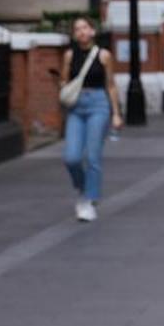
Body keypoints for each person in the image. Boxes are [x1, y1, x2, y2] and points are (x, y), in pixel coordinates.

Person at [60, 16, 121, 221]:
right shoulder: (69, 55)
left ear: (93, 32)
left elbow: (110, 85)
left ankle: (88, 200)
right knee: (71, 157)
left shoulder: (104, 56)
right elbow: (65, 81)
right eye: (77, 29)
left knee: (92, 156)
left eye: (85, 28)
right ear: (74, 35)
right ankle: (82, 186)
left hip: (98, 104)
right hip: (76, 106)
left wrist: (116, 114)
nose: (81, 32)